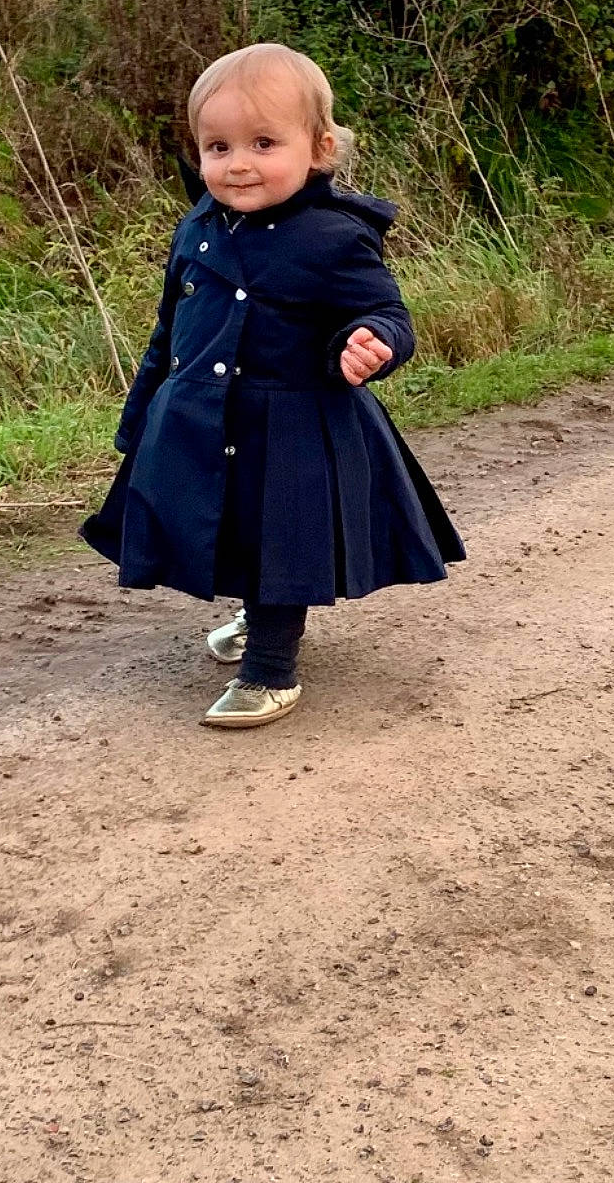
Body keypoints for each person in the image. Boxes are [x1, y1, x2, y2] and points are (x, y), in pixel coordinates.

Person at [81, 43, 465, 728]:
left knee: (280, 540)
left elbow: (387, 313)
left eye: (263, 143)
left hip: (293, 426)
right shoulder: (198, 226)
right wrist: (139, 417)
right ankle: (259, 617)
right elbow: (168, 333)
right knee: (225, 524)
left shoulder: (333, 236)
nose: (238, 164)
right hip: (204, 412)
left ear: (318, 149)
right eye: (218, 146)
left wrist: (373, 343)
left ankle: (272, 670)